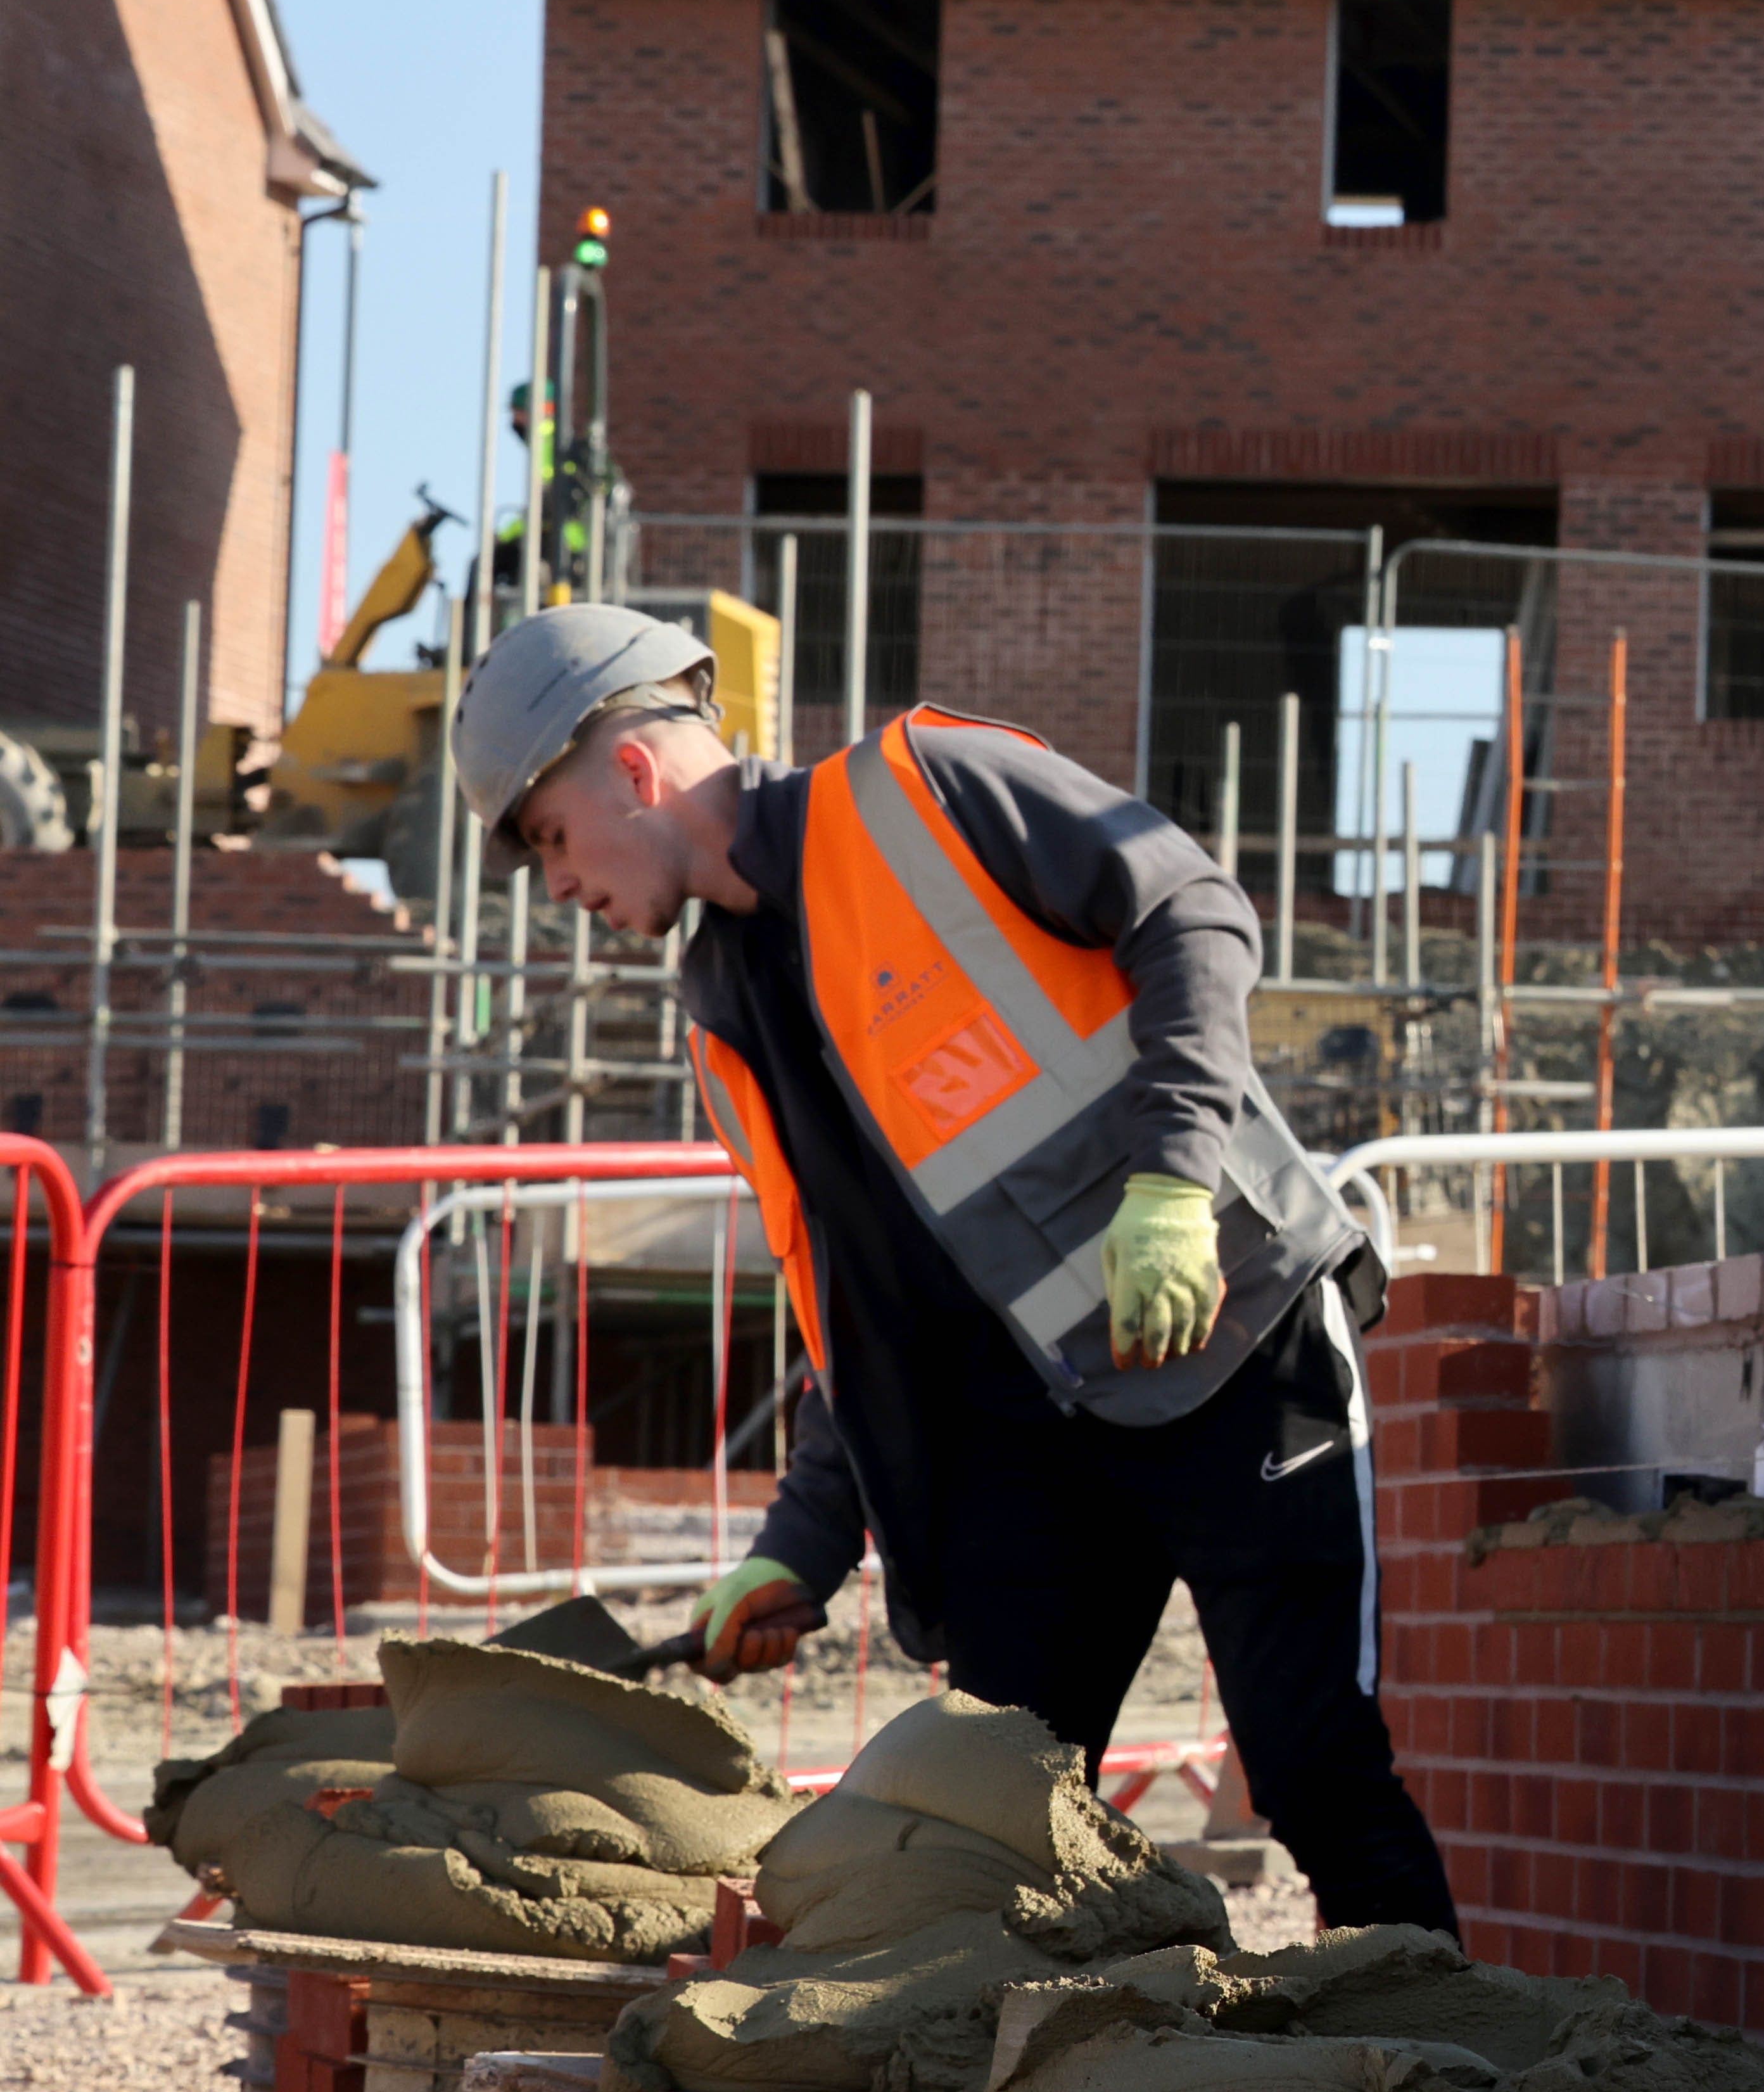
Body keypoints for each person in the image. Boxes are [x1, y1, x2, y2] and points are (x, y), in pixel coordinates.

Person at [457, 615, 1462, 1937]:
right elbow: (859, 1311)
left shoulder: (925, 790)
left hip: (1234, 1338)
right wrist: (797, 1550)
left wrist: (1171, 1179)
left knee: (1312, 1771)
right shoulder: (724, 1016)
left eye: (544, 836)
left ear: (631, 772)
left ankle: (1446, 2084)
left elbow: (1191, 909)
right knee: (988, 1827)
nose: (556, 884)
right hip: (1037, 1444)